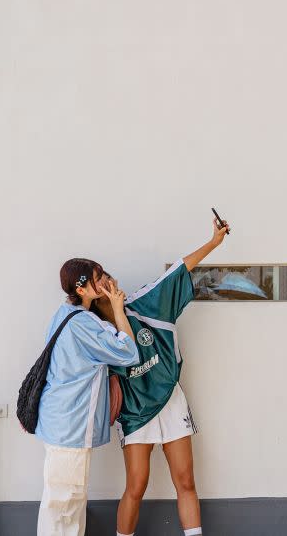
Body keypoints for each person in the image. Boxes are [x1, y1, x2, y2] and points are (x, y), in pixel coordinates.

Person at [92, 216, 229, 536]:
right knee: (135, 486)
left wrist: (213, 242)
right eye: (103, 281)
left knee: (185, 480)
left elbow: (178, 270)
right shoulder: (93, 332)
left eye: (108, 276)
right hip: (136, 413)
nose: (112, 281)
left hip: (170, 401)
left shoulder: (145, 303)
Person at [36, 259, 141, 536]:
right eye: (98, 277)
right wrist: (118, 309)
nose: (104, 280)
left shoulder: (67, 313)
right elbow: (129, 352)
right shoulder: (82, 323)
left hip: (63, 422)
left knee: (66, 502)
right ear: (82, 288)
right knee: (65, 504)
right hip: (70, 424)